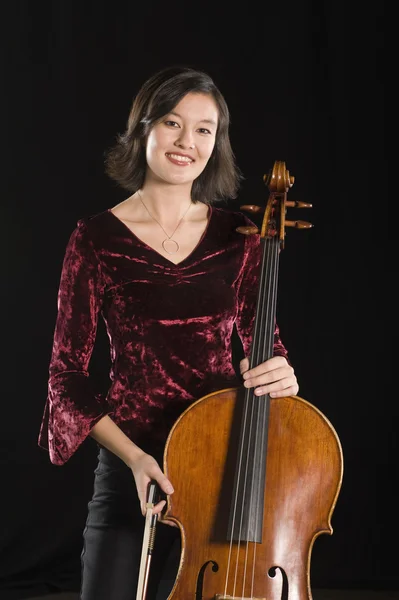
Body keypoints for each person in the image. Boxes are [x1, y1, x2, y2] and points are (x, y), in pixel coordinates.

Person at [38, 65, 299, 600]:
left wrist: (280, 374)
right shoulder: (95, 238)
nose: (188, 142)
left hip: (227, 465)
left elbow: (264, 346)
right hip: (132, 466)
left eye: (205, 129)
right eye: (173, 123)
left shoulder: (241, 236)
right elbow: (66, 379)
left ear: (217, 143)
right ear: (144, 129)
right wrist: (135, 460)